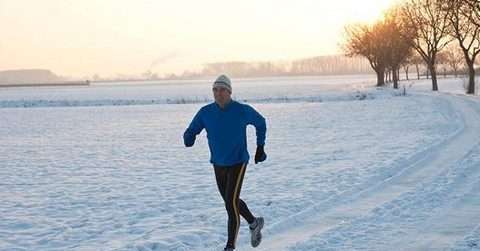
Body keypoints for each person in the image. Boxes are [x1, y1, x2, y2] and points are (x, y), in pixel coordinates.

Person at [183, 74, 267, 251]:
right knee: (231, 201)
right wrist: (189, 136)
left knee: (230, 203)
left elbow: (261, 122)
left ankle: (230, 247)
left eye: (222, 90)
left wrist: (260, 147)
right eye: (215, 90)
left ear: (229, 92)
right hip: (218, 163)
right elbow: (193, 129)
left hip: (238, 161)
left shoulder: (241, 110)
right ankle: (254, 223)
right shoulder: (206, 112)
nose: (218, 93)